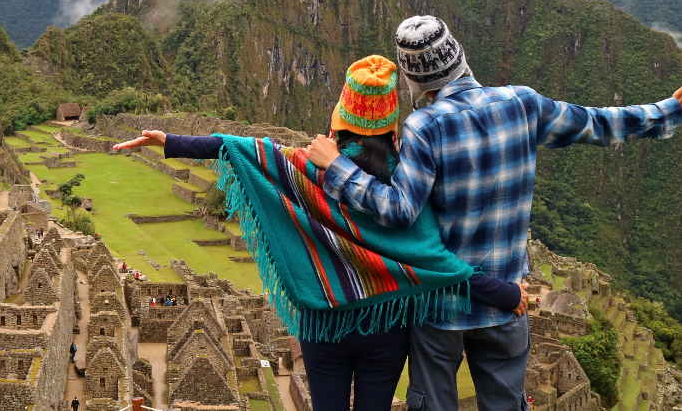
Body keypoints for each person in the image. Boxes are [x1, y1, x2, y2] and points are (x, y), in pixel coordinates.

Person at [303, 16, 682, 411]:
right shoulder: (522, 103)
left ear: (414, 84)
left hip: (440, 310)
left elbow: (399, 211)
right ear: (462, 59)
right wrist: (669, 111)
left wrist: (337, 168)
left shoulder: (423, 127)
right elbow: (599, 123)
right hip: (506, 303)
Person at [114, 55, 526, 411]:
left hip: (322, 324)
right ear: (391, 128)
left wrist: (171, 141)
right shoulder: (404, 181)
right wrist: (505, 293)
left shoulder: (304, 169)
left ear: (339, 121)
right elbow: (435, 261)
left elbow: (246, 149)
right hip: (384, 327)